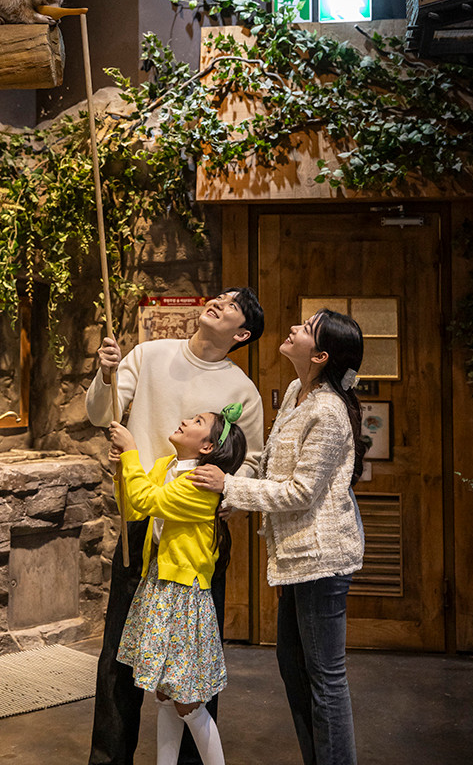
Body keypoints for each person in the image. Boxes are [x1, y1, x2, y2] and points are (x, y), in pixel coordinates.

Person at [86, 287, 265, 765]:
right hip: (141, 522)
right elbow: (100, 414)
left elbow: (252, 461)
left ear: (241, 333)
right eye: (220, 295)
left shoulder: (242, 389)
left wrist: (230, 493)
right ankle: (109, 758)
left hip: (197, 533)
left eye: (232, 305)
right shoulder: (148, 354)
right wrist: (106, 374)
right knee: (120, 653)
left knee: (192, 663)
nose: (219, 301)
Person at [190, 308, 365, 765]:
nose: (294, 328)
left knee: (325, 678)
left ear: (321, 355)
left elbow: (303, 491)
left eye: (306, 330)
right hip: (296, 556)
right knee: (294, 668)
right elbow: (275, 463)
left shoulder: (328, 410)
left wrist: (228, 484)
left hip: (323, 558)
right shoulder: (295, 392)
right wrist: (238, 497)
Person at [108, 403, 248, 765]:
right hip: (159, 585)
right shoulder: (165, 467)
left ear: (206, 447)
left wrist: (131, 451)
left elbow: (148, 499)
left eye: (197, 422)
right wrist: (120, 469)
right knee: (165, 696)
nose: (185, 420)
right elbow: (134, 508)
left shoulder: (200, 483)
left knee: (187, 701)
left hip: (183, 595)